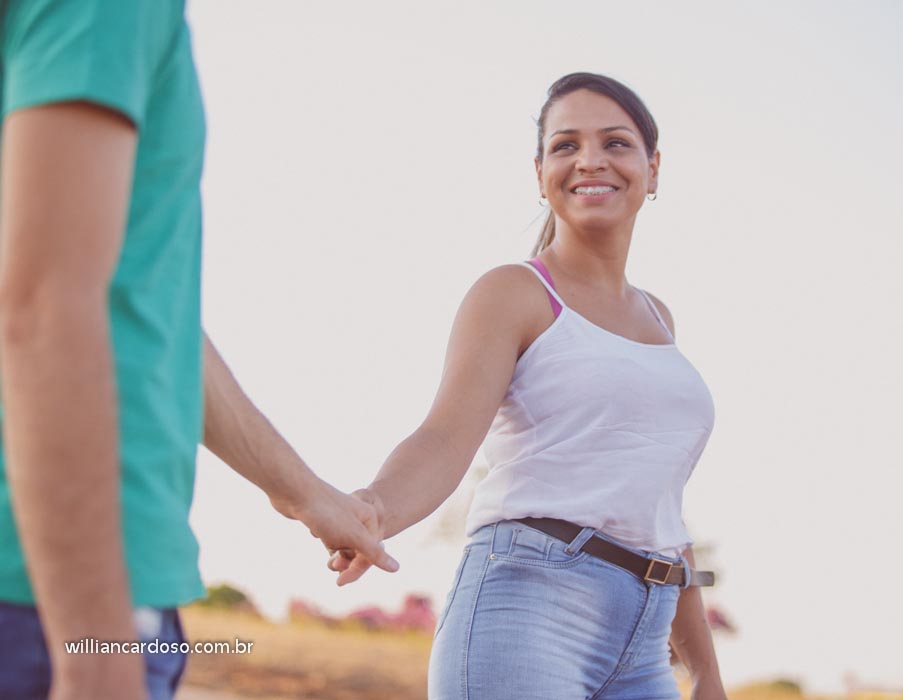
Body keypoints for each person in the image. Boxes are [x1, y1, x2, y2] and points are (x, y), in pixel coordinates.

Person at [0, 3, 395, 699]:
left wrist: (303, 494)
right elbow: (42, 303)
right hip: (48, 598)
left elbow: (141, 306)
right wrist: (95, 649)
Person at [328, 72, 728, 700]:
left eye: (616, 143)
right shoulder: (514, 292)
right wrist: (376, 507)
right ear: (539, 171)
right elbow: (443, 437)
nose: (590, 159)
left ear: (653, 169)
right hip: (528, 608)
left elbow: (662, 516)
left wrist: (704, 669)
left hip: (647, 643)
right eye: (565, 145)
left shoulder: (660, 319)